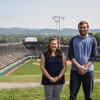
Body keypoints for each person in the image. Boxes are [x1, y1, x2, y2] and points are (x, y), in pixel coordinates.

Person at [68, 21, 97, 100]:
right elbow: (70, 55)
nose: (82, 29)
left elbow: (94, 56)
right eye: (80, 27)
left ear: (87, 28)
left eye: (84, 27)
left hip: (89, 72)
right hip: (75, 71)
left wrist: (86, 67)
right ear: (78, 28)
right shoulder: (73, 39)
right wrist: (79, 67)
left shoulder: (93, 40)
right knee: (72, 95)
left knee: (88, 95)